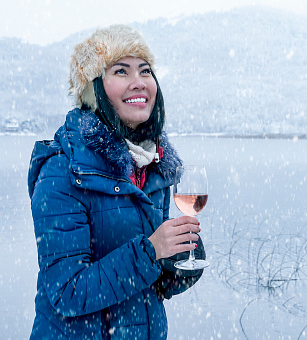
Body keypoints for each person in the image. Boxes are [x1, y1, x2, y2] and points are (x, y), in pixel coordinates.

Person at [27, 24, 206, 339]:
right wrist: (151, 252)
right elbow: (67, 293)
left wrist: (178, 260)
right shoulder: (62, 171)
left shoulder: (153, 166)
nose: (138, 83)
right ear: (93, 90)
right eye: (121, 72)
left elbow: (151, 285)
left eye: (145, 71)